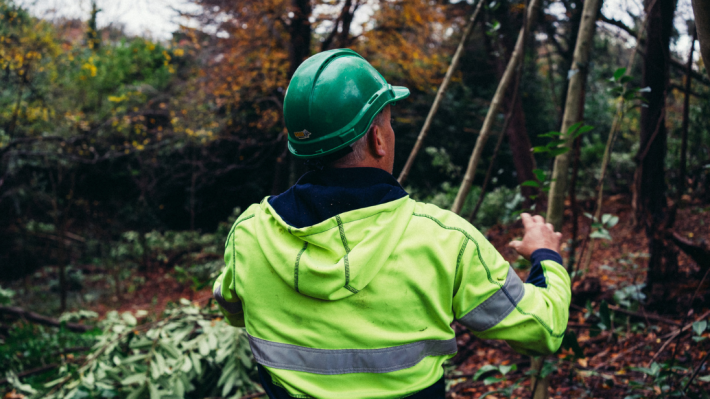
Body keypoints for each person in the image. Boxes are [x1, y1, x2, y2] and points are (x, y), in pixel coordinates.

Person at [213, 48, 570, 399]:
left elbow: (233, 307)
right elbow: (543, 328)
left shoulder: (249, 233)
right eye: (389, 121)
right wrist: (545, 255)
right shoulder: (445, 240)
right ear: (377, 139)